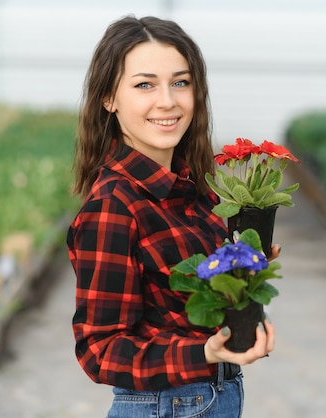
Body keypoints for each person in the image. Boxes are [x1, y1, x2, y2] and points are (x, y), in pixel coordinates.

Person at [66, 15, 276, 417]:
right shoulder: (115, 204)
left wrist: (245, 269)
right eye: (145, 84)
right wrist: (204, 352)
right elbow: (101, 350)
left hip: (209, 399)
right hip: (165, 406)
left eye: (180, 82)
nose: (167, 100)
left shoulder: (191, 190)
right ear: (109, 98)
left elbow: (186, 305)